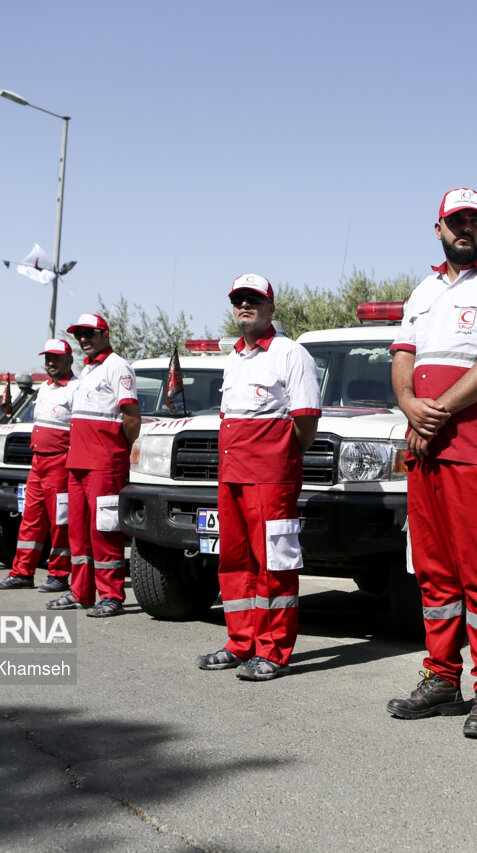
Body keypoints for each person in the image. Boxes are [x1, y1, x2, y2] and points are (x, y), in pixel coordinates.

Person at [386, 188, 477, 739]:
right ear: (439, 227)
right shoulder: (423, 291)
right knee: (433, 571)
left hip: (473, 448)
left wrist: (438, 411)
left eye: (474, 220)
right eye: (455, 221)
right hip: (423, 448)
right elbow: (403, 356)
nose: (464, 229)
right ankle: (442, 678)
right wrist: (409, 405)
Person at [196, 273, 320, 680]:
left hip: (271, 478)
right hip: (232, 476)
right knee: (234, 560)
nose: (245, 306)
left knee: (275, 564)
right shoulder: (234, 358)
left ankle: (274, 650)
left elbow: (304, 421)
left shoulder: (290, 353)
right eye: (238, 300)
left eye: (254, 299)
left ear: (271, 307)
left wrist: (282, 459)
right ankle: (241, 642)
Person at [47, 313, 140, 617]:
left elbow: (131, 417)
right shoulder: (87, 371)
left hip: (104, 464)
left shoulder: (117, 367)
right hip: (77, 464)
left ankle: (111, 595)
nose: (85, 339)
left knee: (104, 531)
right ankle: (80, 591)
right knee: (77, 530)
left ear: (104, 334)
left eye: (90, 333)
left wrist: (116, 451)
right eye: (80, 335)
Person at [0, 339, 78, 592]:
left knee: (60, 522)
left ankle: (59, 575)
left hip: (61, 463)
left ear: (70, 359)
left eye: (57, 358)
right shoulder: (44, 388)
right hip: (38, 463)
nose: (51, 362)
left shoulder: (76, 388)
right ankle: (22, 572)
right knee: (30, 519)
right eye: (48, 358)